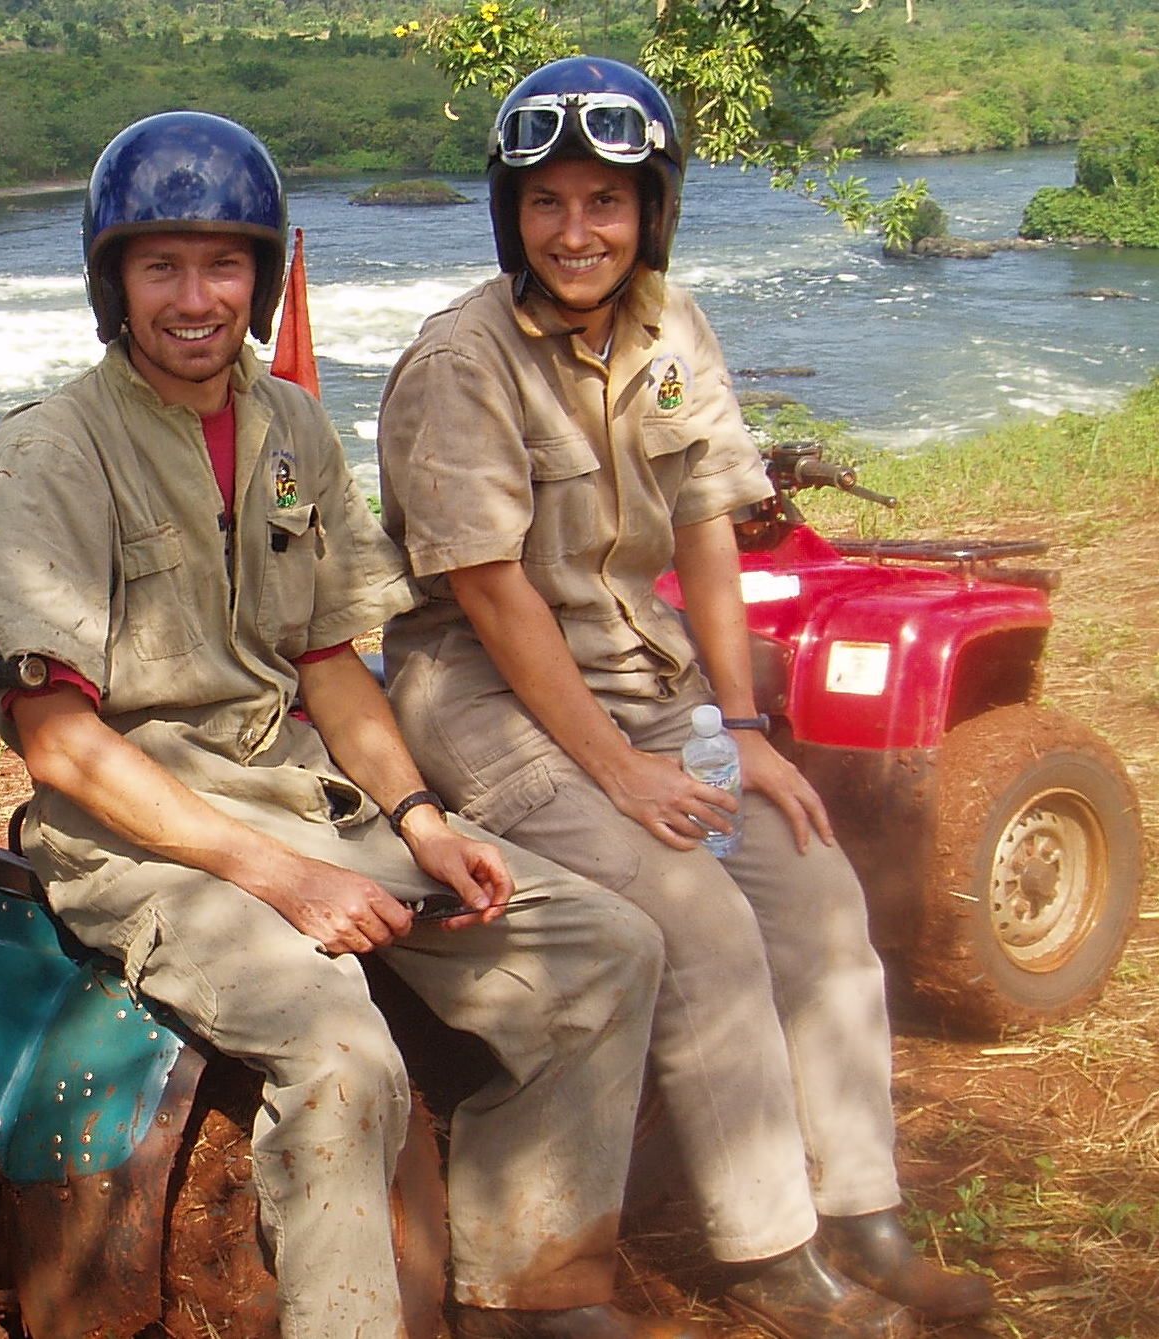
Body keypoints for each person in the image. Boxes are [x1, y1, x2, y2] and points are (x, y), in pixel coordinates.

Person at [0, 111, 694, 1339]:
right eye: (161, 267)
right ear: (113, 281)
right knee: (341, 1055)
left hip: (304, 795)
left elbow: (330, 666)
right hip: (143, 838)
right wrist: (283, 879)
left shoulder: (290, 427)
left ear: (259, 276)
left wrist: (418, 817)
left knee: (603, 947)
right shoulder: (49, 457)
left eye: (223, 265)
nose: (195, 298)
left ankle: (527, 1285)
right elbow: (59, 747)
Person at [375, 57, 994, 1339]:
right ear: (513, 218)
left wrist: (744, 728)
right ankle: (770, 1251)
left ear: (649, 209)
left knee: (815, 885)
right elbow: (492, 595)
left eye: (604, 201)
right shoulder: (460, 362)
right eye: (546, 204)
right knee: (698, 916)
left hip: (640, 678)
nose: (576, 231)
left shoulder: (670, 329)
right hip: (491, 701)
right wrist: (622, 771)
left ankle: (862, 1210)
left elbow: (710, 527)